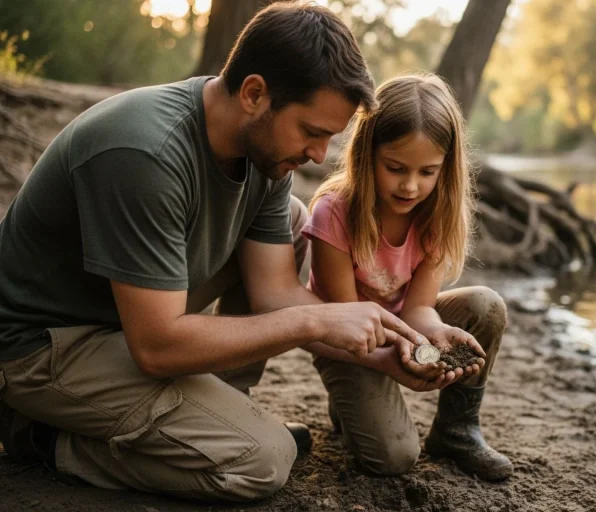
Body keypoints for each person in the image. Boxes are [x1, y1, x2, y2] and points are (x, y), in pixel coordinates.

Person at [0, 3, 438, 503]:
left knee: (291, 218)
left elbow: (274, 292)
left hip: (127, 321)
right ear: (254, 94)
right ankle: (39, 437)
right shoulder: (146, 153)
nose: (320, 155)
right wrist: (316, 322)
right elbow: (158, 347)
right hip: (42, 346)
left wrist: (388, 356)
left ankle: (224, 407)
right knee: (261, 460)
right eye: (312, 132)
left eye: (329, 138)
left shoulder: (265, 155)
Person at [301, 74, 513, 481]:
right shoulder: (333, 213)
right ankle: (349, 400)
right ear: (366, 154)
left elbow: (417, 307)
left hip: (400, 324)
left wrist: (434, 333)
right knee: (394, 459)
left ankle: (456, 430)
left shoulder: (436, 214)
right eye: (395, 168)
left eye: (428, 172)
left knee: (485, 305)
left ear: (445, 169)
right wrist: (409, 349)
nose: (411, 185)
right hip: (347, 340)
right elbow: (350, 320)